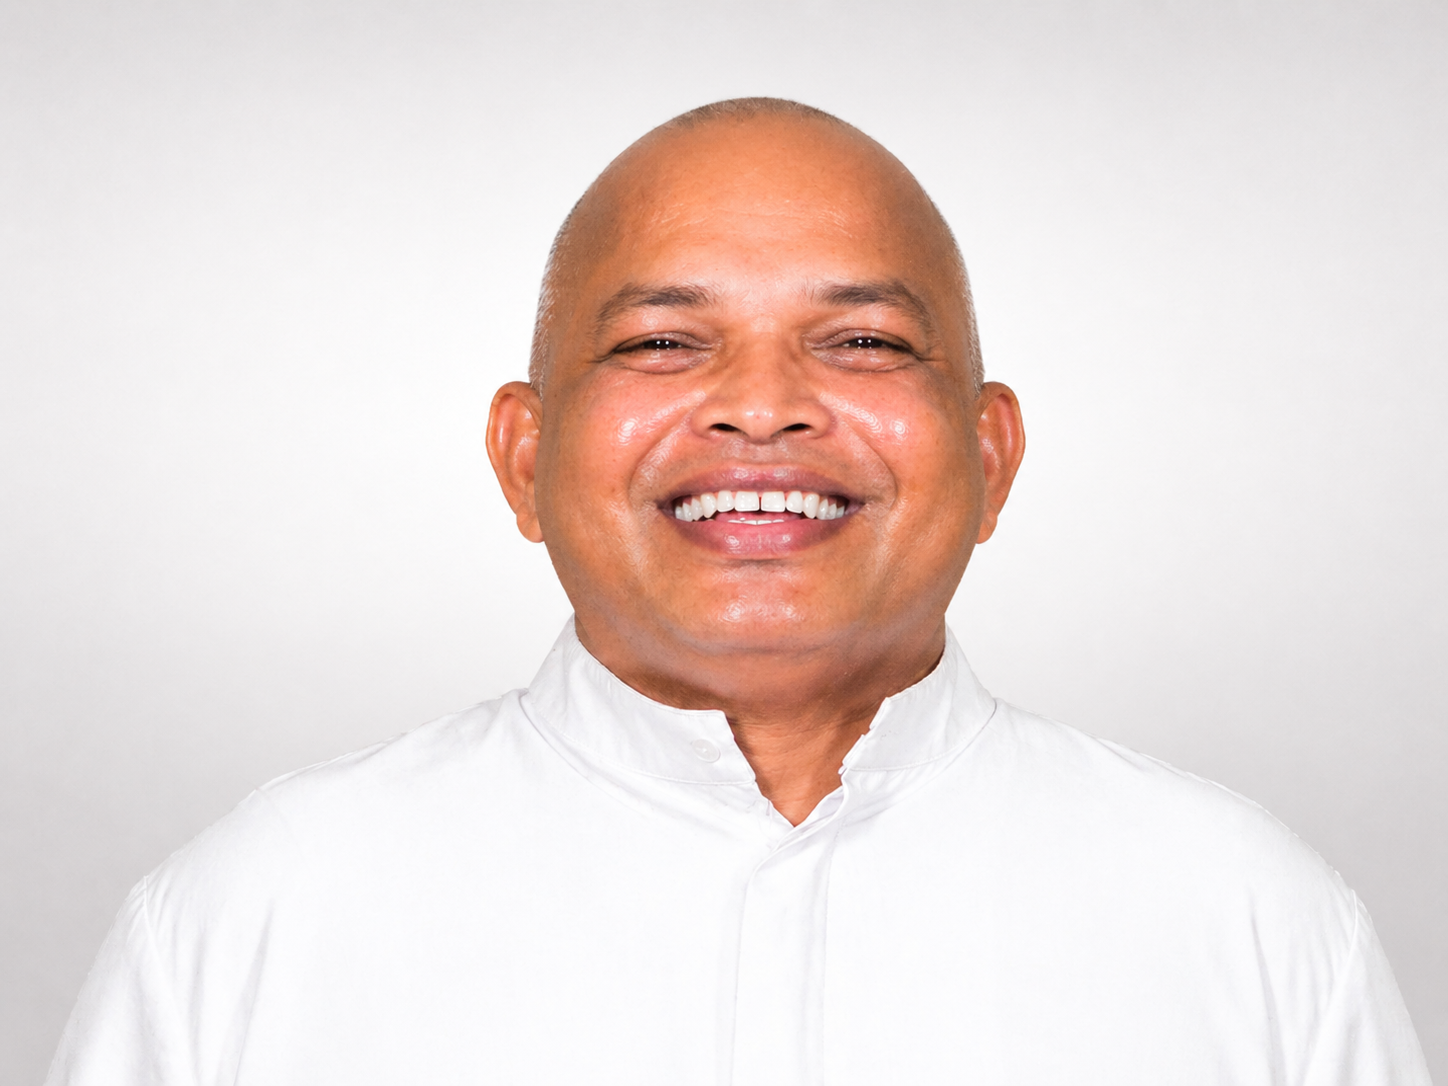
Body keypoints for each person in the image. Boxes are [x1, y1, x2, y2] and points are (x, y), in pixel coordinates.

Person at [47, 98, 1429, 1085]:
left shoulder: (1248, 924)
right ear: (524, 456)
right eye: (662, 342)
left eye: (863, 341)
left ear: (992, 453)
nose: (761, 407)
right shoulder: (251, 924)